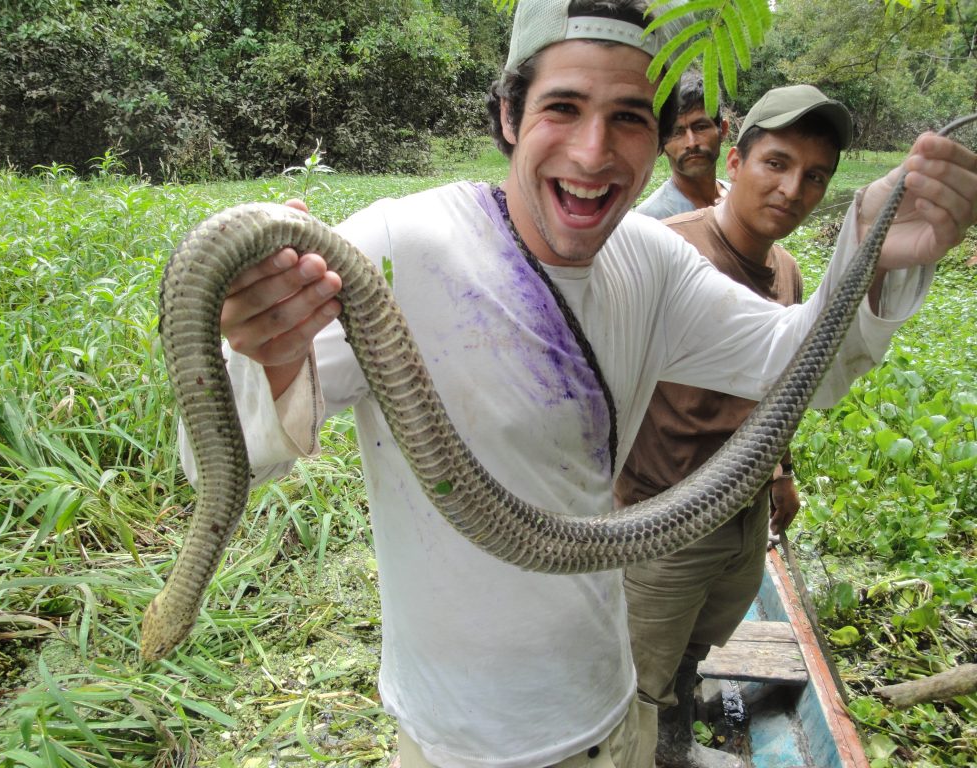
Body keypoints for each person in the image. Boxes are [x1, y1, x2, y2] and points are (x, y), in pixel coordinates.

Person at [182, 1, 977, 766]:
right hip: (466, 738)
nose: (595, 152)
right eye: (563, 106)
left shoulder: (651, 261)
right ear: (508, 116)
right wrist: (263, 349)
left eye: (630, 116)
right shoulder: (398, 246)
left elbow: (802, 366)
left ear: (658, 136)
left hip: (607, 705)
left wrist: (870, 252)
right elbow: (223, 462)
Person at [617, 84, 853, 768]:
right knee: (638, 676)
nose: (792, 189)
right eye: (777, 163)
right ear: (739, 158)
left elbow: (783, 389)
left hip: (742, 516)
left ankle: (674, 748)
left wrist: (781, 473)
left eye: (815, 177)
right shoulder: (661, 255)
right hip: (661, 519)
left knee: (696, 646)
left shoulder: (789, 271)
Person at [636, 71, 730, 219]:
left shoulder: (737, 199)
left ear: (723, 130)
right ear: (661, 142)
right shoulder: (652, 217)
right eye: (676, 133)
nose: (691, 143)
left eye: (700, 127)